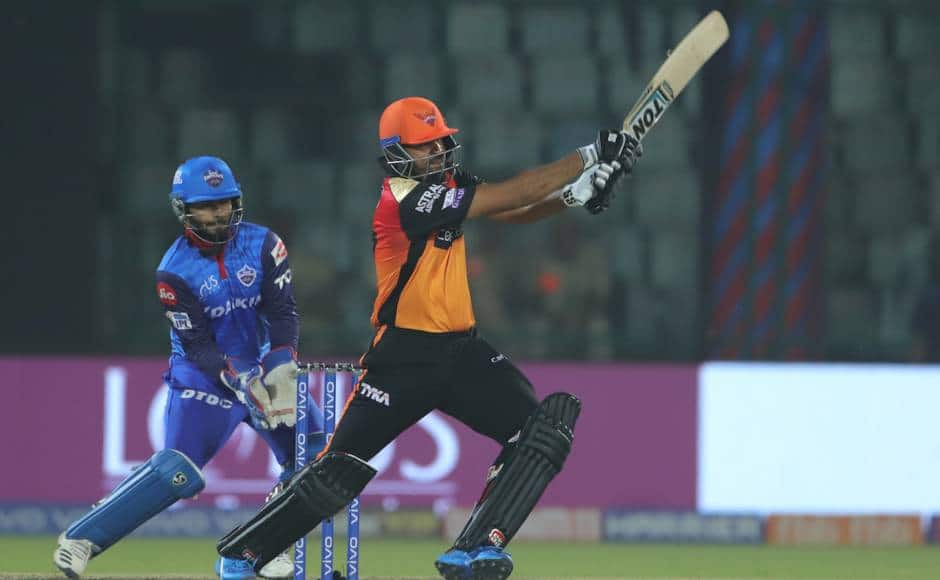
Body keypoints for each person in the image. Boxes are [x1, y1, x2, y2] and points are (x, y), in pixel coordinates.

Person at [216, 97, 642, 580]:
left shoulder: (447, 185)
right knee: (338, 469)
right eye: (426, 145)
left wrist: (574, 195)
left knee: (543, 429)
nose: (440, 150)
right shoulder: (402, 198)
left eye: (441, 140)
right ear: (398, 153)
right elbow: (506, 196)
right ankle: (242, 554)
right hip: (403, 357)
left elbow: (514, 211)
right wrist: (587, 157)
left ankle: (475, 549)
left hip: (461, 353)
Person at [53, 156, 326, 580]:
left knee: (314, 456)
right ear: (184, 209)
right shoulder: (173, 271)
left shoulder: (265, 244)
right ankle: (82, 538)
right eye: (206, 206)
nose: (218, 214)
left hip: (263, 368)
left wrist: (280, 367)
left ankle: (259, 547)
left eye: (224, 203)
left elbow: (283, 313)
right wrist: (240, 380)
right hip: (204, 377)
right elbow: (199, 346)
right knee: (177, 471)